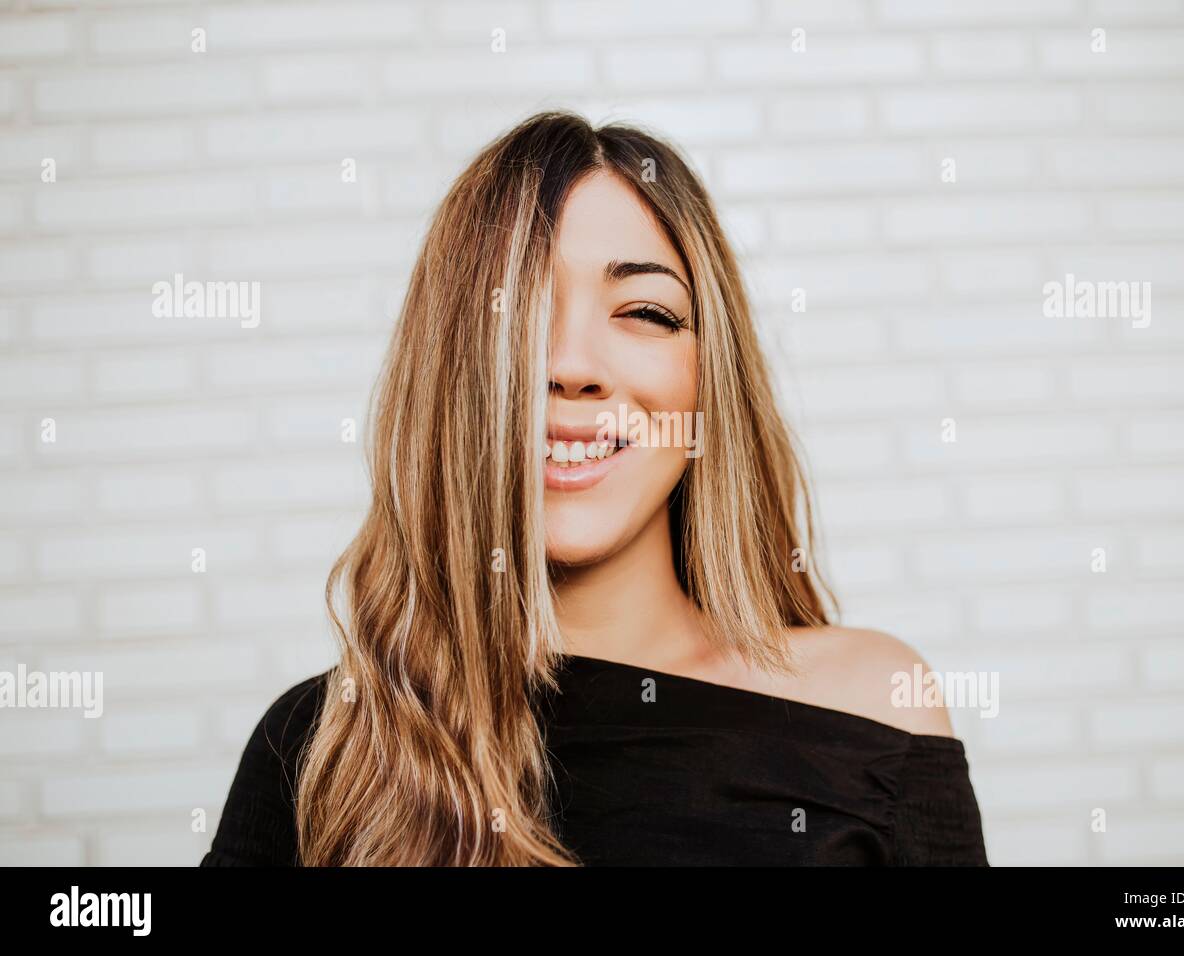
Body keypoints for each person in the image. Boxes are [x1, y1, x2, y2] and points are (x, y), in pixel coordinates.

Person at [201, 111, 988, 867]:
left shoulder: (873, 704)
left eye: (644, 311)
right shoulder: (324, 744)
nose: (572, 366)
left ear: (710, 380)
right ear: (451, 376)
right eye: (522, 311)